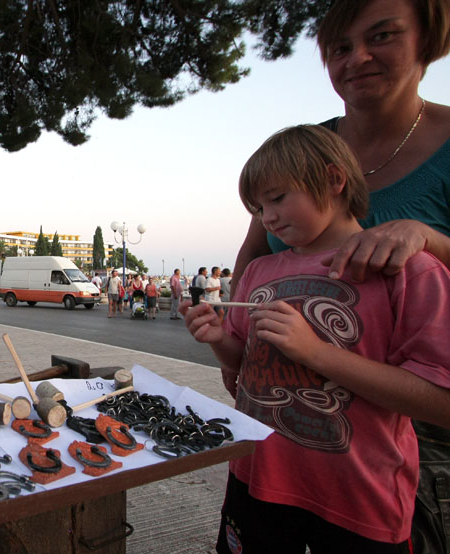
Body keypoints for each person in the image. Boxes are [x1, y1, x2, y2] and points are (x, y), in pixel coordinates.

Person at [230, 2, 450, 551]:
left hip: (388, 461)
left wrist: (428, 237)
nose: (358, 58)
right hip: (274, 459)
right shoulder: (297, 148)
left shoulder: (418, 272)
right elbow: (251, 274)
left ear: (428, 38)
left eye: (382, 36)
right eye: (339, 48)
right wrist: (229, 343)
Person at [186, 124, 450, 553]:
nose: (267, 217)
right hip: (257, 479)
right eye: (257, 208)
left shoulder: (407, 270)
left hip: (360, 502)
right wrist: (217, 338)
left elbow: (440, 400)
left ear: (333, 180)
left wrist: (315, 353)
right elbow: (241, 365)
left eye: (277, 198)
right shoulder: (258, 272)